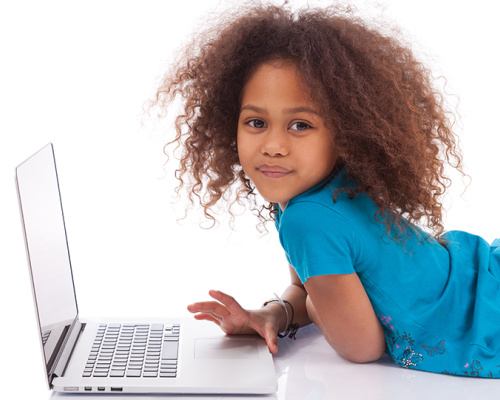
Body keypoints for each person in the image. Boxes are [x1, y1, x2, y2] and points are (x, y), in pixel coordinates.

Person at [151, 3, 500, 377]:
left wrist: (321, 308)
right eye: (256, 121)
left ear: (343, 132)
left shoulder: (307, 218)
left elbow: (361, 346)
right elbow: (306, 291)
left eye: (300, 125)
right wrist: (275, 313)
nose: (273, 145)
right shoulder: (311, 195)